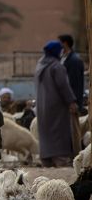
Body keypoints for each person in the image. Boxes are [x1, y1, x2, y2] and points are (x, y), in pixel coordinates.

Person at [35, 40, 79, 168]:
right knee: (59, 132)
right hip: (57, 107)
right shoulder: (57, 66)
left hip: (42, 107)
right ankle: (60, 159)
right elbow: (63, 86)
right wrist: (71, 101)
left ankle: (46, 159)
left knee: (45, 133)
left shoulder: (39, 65)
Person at [59, 34, 86, 115]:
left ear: (65, 44)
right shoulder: (62, 58)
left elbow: (75, 83)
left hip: (71, 104)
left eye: (59, 43)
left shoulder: (75, 60)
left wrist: (74, 102)